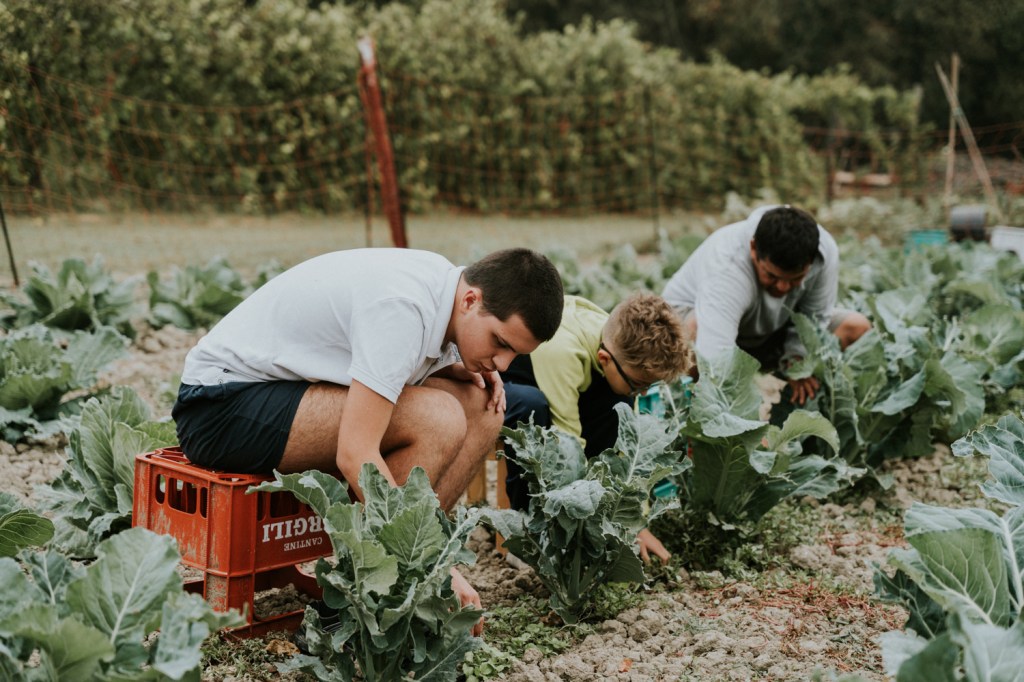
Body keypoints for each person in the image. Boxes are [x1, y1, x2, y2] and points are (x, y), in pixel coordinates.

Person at [172, 247, 564, 636]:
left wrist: (451, 366)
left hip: (286, 390)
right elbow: (355, 453)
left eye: (515, 354)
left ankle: (401, 571)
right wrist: (436, 562)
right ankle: (358, 600)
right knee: (437, 417)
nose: (503, 363)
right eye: (500, 342)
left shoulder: (447, 291)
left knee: (483, 406)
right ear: (470, 300)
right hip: (220, 407)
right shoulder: (403, 307)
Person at [501, 292, 691, 563]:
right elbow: (568, 449)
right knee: (533, 409)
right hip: (506, 385)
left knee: (619, 405)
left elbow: (630, 450)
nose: (642, 392)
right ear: (604, 358)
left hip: (565, 385)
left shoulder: (621, 351)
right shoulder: (563, 350)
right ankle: (526, 535)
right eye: (639, 384)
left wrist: (635, 523)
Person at [661, 205, 870, 404]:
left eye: (796, 279)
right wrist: (736, 420)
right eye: (772, 276)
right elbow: (715, 358)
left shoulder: (824, 253)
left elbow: (815, 319)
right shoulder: (727, 267)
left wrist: (797, 360)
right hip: (700, 330)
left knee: (856, 328)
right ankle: (687, 416)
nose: (783, 287)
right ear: (753, 248)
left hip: (770, 331)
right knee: (695, 331)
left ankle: (804, 416)